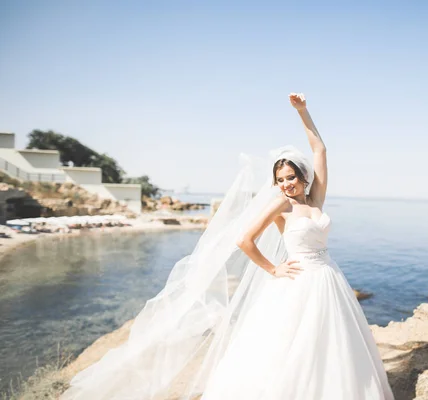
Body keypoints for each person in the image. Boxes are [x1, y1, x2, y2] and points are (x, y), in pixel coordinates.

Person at [61, 94, 393, 400]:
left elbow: (320, 149)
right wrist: (274, 268)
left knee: (330, 344)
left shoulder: (316, 199)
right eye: (281, 179)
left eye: (291, 177)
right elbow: (243, 240)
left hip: (327, 277)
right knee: (289, 347)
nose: (287, 184)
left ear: (303, 177)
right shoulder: (281, 206)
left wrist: (302, 112)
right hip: (296, 281)